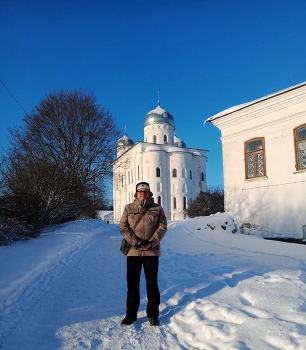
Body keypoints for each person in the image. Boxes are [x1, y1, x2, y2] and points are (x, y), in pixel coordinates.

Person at [119, 181, 167, 326]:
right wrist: (136, 242)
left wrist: (152, 242)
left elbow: (163, 226)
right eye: (140, 191)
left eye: (145, 191)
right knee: (132, 283)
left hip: (151, 251)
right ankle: (131, 314)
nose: (142, 194)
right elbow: (123, 227)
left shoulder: (157, 208)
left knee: (152, 283)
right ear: (136, 193)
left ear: (149, 193)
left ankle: (153, 315)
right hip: (133, 251)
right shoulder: (129, 208)